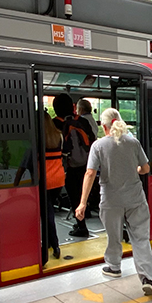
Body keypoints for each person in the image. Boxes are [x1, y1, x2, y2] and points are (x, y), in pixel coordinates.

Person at [75, 108, 152, 296]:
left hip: (111, 200)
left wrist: (82, 203)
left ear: (103, 126)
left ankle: (114, 267)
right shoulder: (133, 142)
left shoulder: (98, 146)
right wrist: (135, 170)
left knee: (113, 235)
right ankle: (147, 278)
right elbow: (145, 168)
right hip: (135, 199)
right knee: (141, 239)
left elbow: (90, 173)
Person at [52, 94, 97, 238]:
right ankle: (82, 221)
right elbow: (92, 141)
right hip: (87, 164)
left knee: (74, 197)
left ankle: (81, 226)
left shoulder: (55, 124)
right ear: (72, 106)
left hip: (68, 167)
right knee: (82, 194)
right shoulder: (82, 121)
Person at [42, 111, 65, 261]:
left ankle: (54, 245)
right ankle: (50, 242)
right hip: (58, 179)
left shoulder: (38, 137)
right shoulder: (58, 136)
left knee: (47, 214)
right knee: (49, 211)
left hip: (44, 180)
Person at [77, 99, 102, 213]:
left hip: (85, 154)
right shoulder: (92, 119)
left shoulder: (82, 121)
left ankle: (84, 206)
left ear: (81, 109)